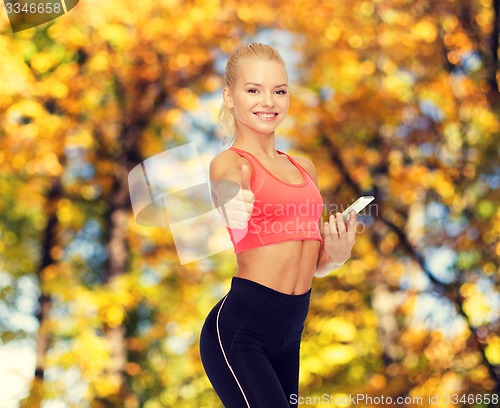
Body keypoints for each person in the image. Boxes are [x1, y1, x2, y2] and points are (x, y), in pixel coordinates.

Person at [199, 42, 357, 408]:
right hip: (242, 331)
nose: (268, 101)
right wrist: (230, 206)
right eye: (253, 90)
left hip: (290, 332)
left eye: (279, 91)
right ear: (229, 97)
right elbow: (225, 194)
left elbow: (311, 261)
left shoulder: (305, 168)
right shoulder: (230, 164)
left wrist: (336, 257)